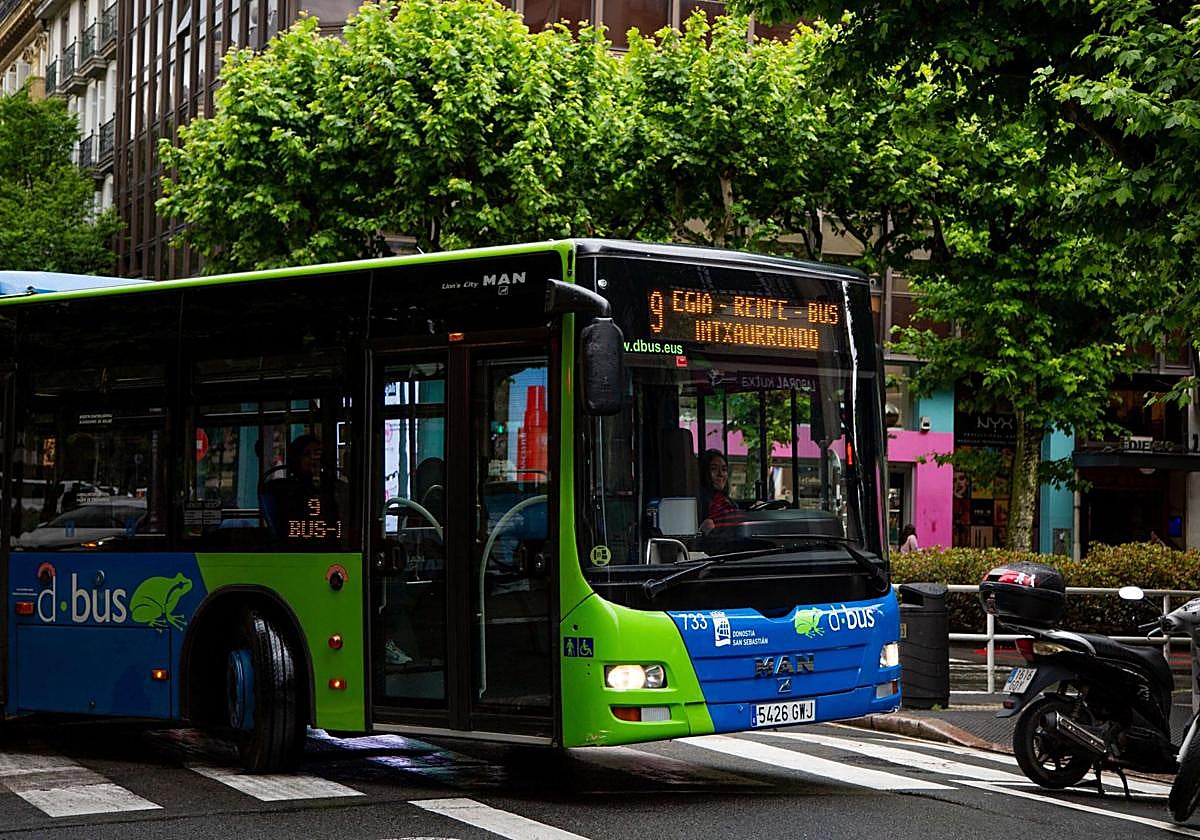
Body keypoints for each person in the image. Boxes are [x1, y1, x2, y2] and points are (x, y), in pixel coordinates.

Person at [698, 449, 738, 533]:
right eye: (714, 469)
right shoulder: (701, 502)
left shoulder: (730, 502)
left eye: (724, 470)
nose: (720, 474)